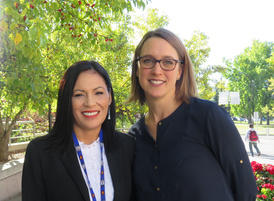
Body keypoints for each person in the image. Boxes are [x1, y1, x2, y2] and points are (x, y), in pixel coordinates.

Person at [128, 28, 257, 201]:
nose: (157, 70)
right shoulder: (133, 138)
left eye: (168, 62)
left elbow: (245, 190)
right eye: (147, 61)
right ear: (137, 69)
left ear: (180, 71)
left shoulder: (209, 117)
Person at [22, 61, 135, 201]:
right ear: (66, 100)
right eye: (79, 94)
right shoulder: (40, 152)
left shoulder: (127, 146)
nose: (90, 103)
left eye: (98, 92)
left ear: (109, 97)